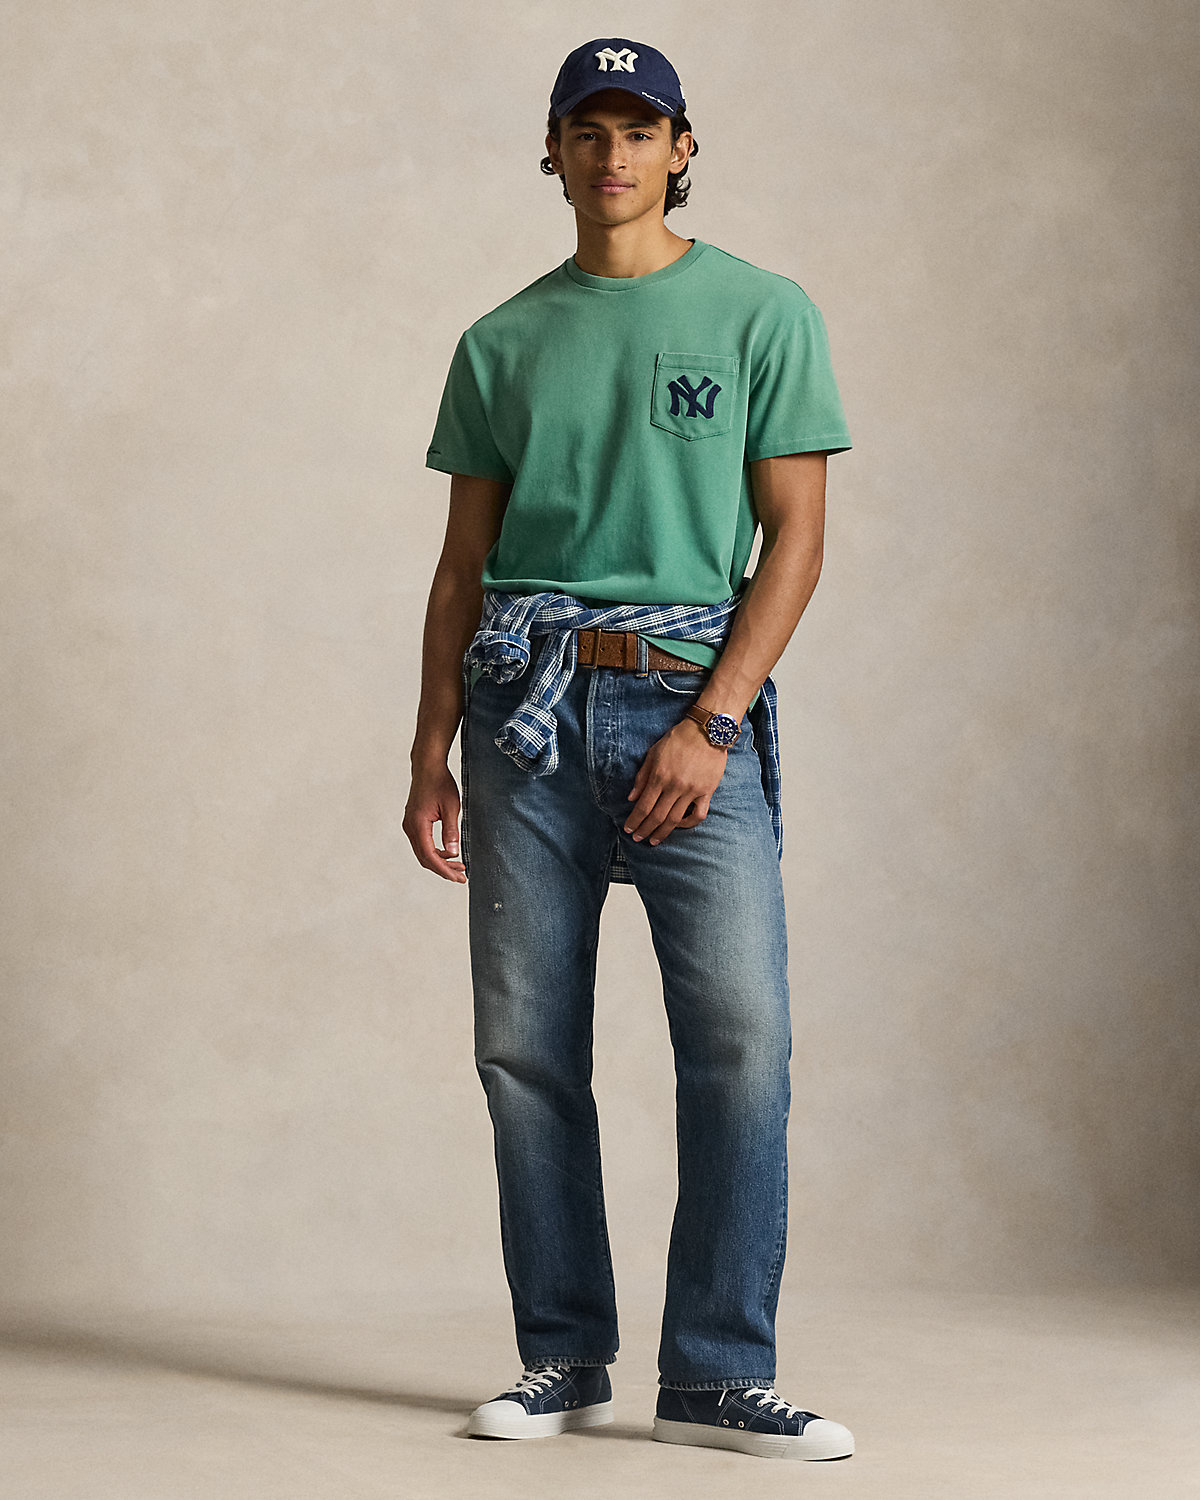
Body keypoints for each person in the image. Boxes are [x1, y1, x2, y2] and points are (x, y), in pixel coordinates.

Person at [405, 36, 855, 1462]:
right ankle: (563, 1356)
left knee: (740, 1044)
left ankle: (718, 1373)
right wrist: (429, 754)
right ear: (552, 151)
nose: (613, 156)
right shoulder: (501, 340)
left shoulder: (761, 313)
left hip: (684, 709)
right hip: (523, 722)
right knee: (525, 1049)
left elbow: (796, 539)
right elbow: (462, 565)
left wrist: (711, 722)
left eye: (639, 130)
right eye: (587, 131)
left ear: (681, 149)